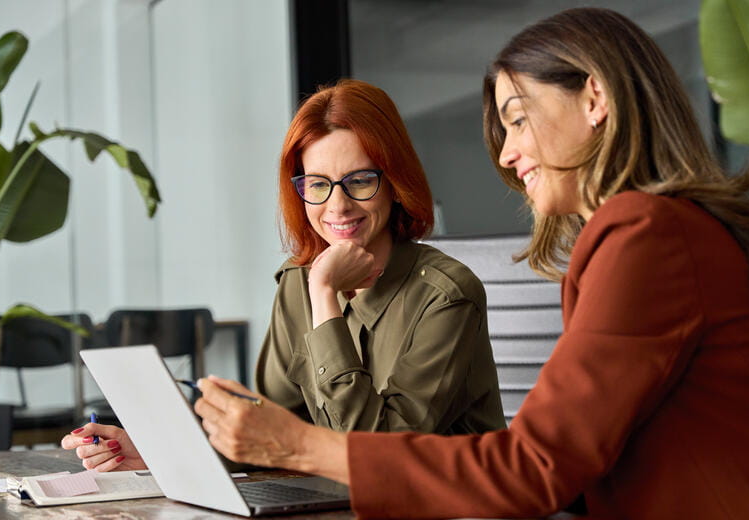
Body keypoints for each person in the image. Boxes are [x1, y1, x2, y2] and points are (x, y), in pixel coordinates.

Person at [189, 8, 749, 519]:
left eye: (518, 119)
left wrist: (296, 445)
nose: (506, 154)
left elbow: (535, 467)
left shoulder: (648, 233)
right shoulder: (653, 232)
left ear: (595, 99)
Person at [62, 79, 505, 471]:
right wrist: (159, 450)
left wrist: (324, 295)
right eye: (318, 184)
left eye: (359, 181)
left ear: (394, 182)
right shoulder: (297, 281)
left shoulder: (446, 295)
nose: (337, 206)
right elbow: (272, 428)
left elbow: (376, 454)